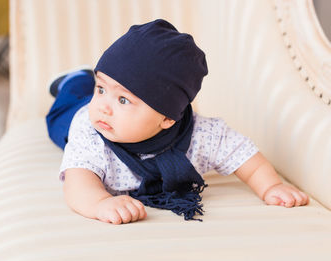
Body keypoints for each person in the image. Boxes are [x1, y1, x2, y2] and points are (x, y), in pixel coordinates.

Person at [46, 19, 309, 225]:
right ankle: (75, 81)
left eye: (123, 100)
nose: (103, 106)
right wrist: (100, 202)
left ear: (167, 118)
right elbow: (77, 183)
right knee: (61, 116)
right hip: (76, 113)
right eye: (100, 87)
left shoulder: (203, 136)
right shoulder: (90, 127)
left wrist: (271, 187)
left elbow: (247, 159)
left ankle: (85, 82)